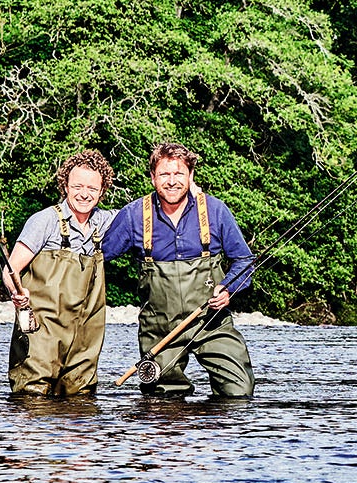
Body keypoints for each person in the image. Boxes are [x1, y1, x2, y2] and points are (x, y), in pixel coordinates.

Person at [101, 142, 255, 398]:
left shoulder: (215, 210)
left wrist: (228, 288)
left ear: (190, 175)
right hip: (159, 330)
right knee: (162, 399)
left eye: (178, 174)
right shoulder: (133, 215)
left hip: (211, 323)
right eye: (164, 174)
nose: (171, 181)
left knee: (238, 392)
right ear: (153, 177)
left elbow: (244, 261)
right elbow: (97, 259)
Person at [4, 149, 118, 397]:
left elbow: (146, 212)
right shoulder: (43, 220)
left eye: (92, 188)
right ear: (65, 185)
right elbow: (10, 269)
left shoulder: (106, 221)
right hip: (41, 334)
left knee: (82, 406)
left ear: (102, 191)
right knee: (32, 400)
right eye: (77, 186)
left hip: (84, 341)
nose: (84, 194)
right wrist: (17, 292)